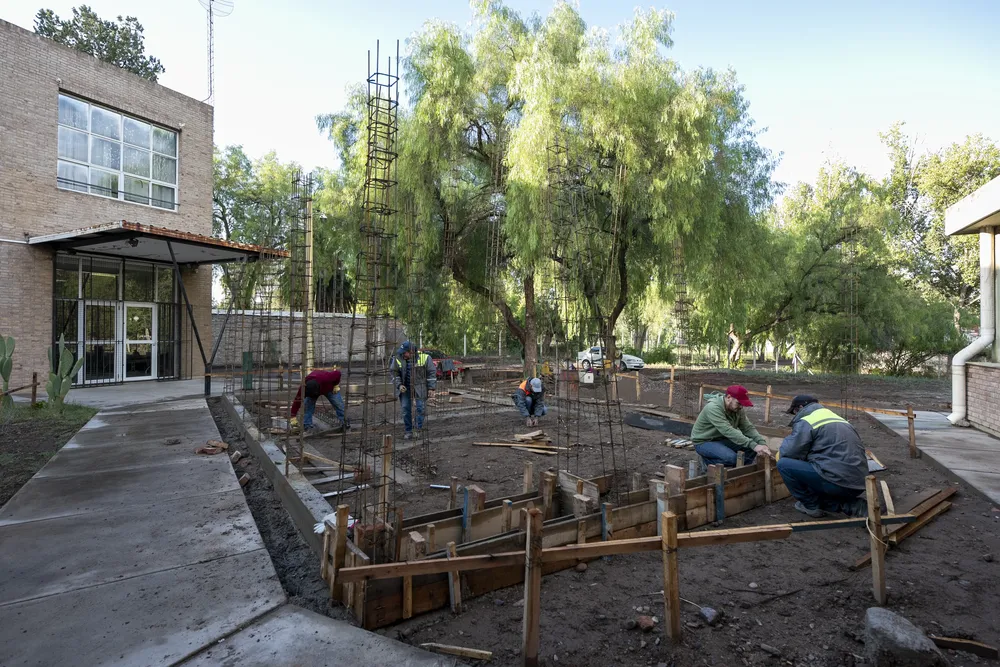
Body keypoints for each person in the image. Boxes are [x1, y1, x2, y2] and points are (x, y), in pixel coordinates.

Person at [776, 395, 868, 518]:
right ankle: (851, 505)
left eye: (794, 412)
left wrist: (778, 453)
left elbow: (789, 452)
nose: (795, 416)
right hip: (859, 483)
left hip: (837, 481)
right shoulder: (836, 418)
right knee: (812, 468)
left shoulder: (808, 420)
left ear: (801, 407)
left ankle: (810, 506)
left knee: (784, 465)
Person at [691, 385, 771, 467]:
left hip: (723, 439)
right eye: (739, 403)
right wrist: (754, 445)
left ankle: (737, 471)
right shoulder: (713, 408)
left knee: (751, 449)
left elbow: (748, 428)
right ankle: (707, 462)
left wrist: (761, 443)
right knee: (731, 458)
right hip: (704, 442)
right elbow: (728, 430)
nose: (741, 407)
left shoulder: (737, 409)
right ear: (729, 397)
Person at [390, 341, 436, 439]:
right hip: (405, 388)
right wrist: (399, 385)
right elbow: (394, 373)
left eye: (405, 352)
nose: (402, 354)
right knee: (406, 409)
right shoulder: (397, 358)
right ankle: (408, 431)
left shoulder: (425, 358)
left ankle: (417, 429)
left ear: (411, 352)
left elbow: (431, 373)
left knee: (420, 408)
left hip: (420, 387)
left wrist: (431, 388)